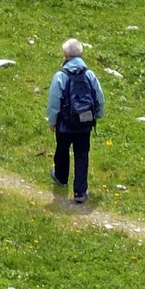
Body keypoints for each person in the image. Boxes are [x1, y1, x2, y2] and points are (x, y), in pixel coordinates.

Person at [46, 39, 105, 203]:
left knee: (62, 150)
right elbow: (99, 97)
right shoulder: (89, 74)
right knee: (82, 154)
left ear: (65, 55)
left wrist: (52, 121)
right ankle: (80, 192)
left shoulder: (61, 76)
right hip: (85, 122)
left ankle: (61, 177)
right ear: (81, 54)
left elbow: (53, 102)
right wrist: (97, 115)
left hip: (65, 123)